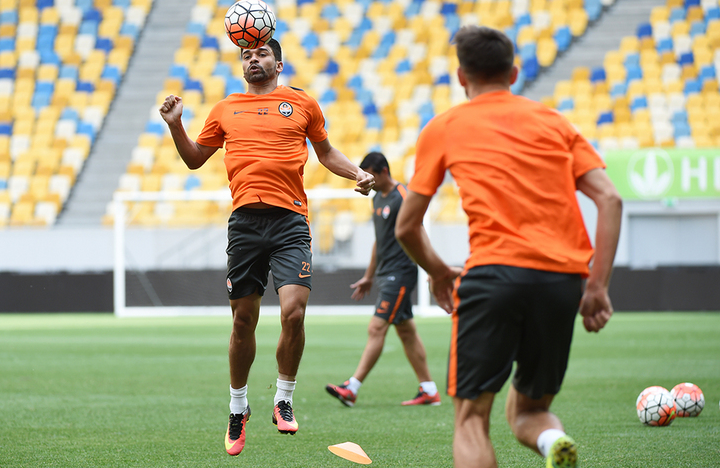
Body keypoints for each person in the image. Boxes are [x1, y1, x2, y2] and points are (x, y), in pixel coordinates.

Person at [394, 26, 622, 468]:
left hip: (493, 277)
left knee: (470, 421)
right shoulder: (556, 123)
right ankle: (553, 441)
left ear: (461, 77)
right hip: (561, 282)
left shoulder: (445, 126)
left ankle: (551, 442)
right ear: (514, 73)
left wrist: (439, 272)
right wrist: (597, 287)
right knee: (530, 410)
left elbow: (406, 226)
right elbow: (610, 199)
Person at [158, 38, 375, 457]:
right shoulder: (225, 109)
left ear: (279, 63)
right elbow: (195, 159)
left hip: (290, 223)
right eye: (246, 55)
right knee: (243, 320)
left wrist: (357, 173)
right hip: (245, 225)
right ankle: (238, 407)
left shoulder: (302, 103)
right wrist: (175, 125)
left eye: (261, 54)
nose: (252, 59)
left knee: (294, 312)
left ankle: (284, 397)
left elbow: (326, 152)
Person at [325, 151, 441, 408]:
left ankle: (352, 388)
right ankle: (429, 390)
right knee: (406, 331)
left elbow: (419, 231)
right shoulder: (377, 198)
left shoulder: (402, 196)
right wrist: (368, 276)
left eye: (370, 175)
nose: (366, 180)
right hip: (385, 273)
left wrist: (433, 270)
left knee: (376, 328)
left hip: (401, 273)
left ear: (384, 172)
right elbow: (379, 240)